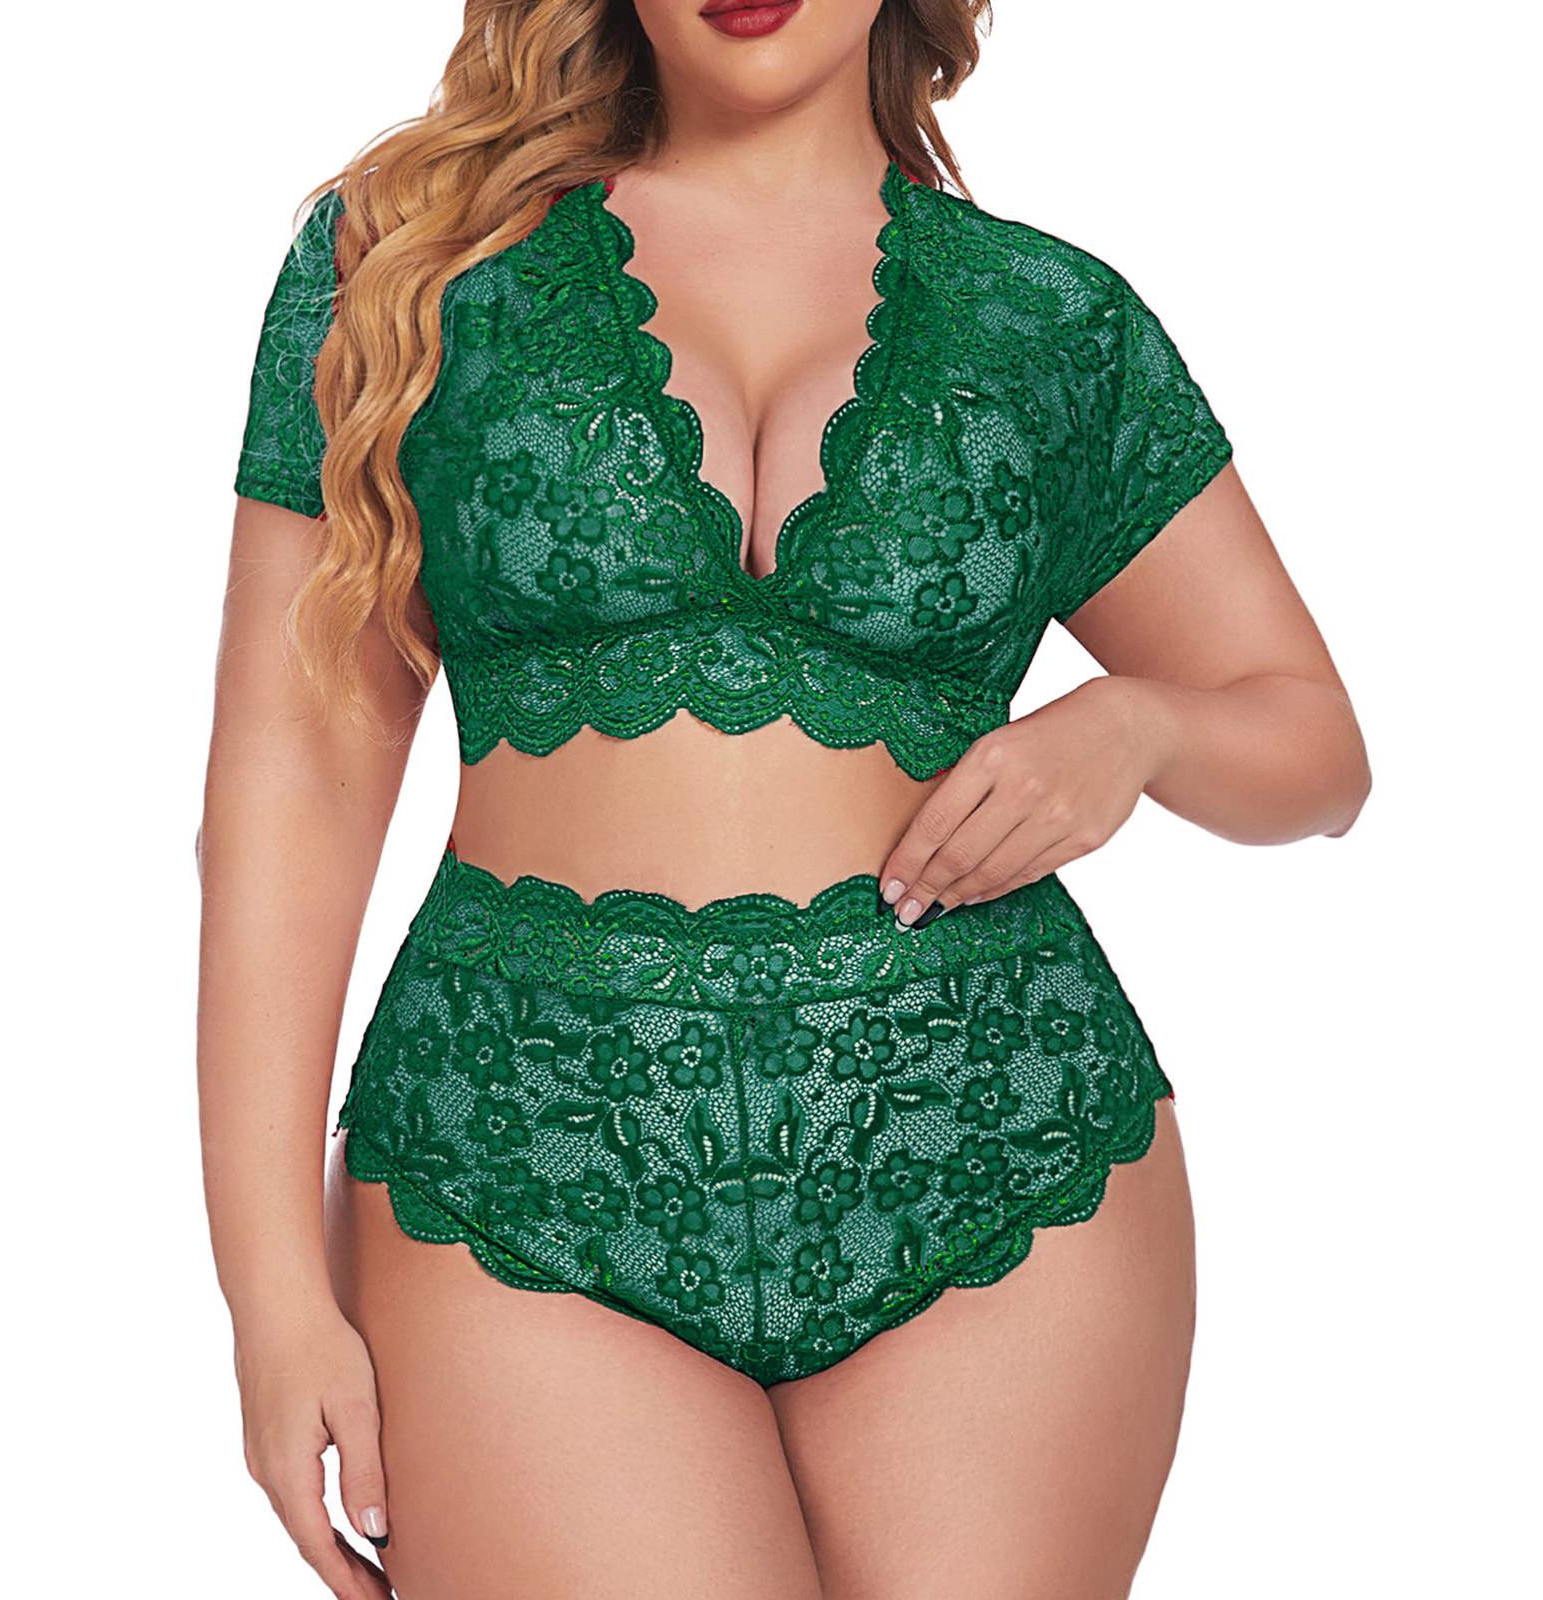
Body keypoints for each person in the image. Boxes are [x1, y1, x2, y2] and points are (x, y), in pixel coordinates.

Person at [198, 2, 1371, 1596]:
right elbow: (291, 788)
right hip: (522, 1162)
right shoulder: (407, 268)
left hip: (995, 1151)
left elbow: (1314, 748)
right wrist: (270, 1298)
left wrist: (1134, 727)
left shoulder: (1049, 321)